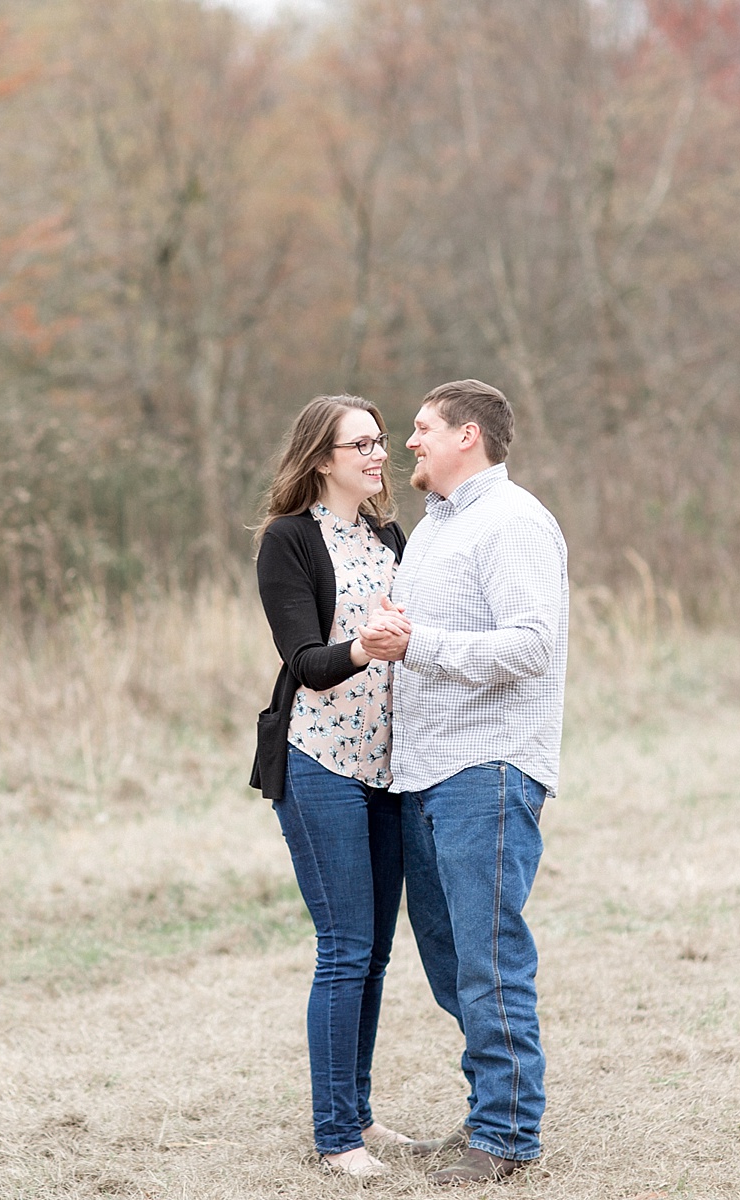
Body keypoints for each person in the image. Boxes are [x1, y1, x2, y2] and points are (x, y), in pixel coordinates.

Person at [357, 379, 570, 1185]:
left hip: (488, 768)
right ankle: (493, 1109)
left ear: (468, 436)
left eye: (421, 429)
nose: (407, 443)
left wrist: (417, 645)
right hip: (426, 774)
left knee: (485, 955)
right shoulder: (440, 530)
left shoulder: (512, 522)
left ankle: (508, 1138)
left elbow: (529, 646)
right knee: (449, 957)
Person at [251, 395, 416, 1178]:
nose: (379, 455)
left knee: (377, 952)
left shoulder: (389, 535)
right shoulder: (289, 541)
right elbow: (306, 663)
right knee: (345, 948)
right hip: (319, 763)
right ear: (322, 457)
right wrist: (365, 647)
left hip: (389, 768)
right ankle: (334, 1136)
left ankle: (359, 1111)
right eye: (362, 444)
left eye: (381, 442)